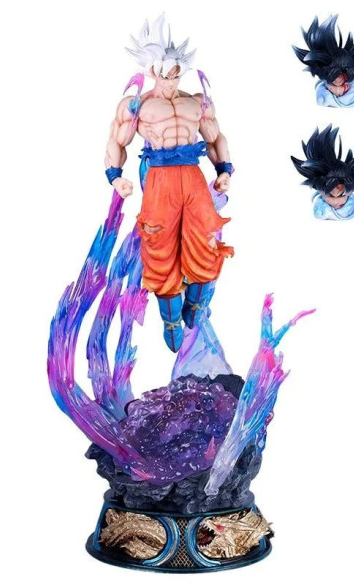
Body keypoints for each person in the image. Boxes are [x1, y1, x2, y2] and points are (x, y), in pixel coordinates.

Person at [104, 14, 234, 352]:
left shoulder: (196, 102)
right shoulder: (138, 105)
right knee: (160, 248)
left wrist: (224, 170)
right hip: (160, 178)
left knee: (205, 240)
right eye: (164, 74)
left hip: (192, 175)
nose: (170, 81)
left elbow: (215, 137)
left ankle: (195, 304)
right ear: (152, 71)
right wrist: (116, 178)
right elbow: (117, 141)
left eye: (176, 74)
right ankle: (172, 320)